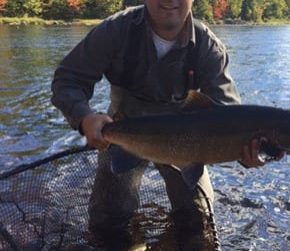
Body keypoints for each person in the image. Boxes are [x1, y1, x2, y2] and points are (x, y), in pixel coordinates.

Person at [51, 0, 277, 250]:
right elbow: (68, 79)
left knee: (197, 218)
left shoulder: (208, 46)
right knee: (108, 220)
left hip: (187, 139)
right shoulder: (116, 30)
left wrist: (247, 152)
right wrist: (85, 117)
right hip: (124, 129)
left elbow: (231, 118)